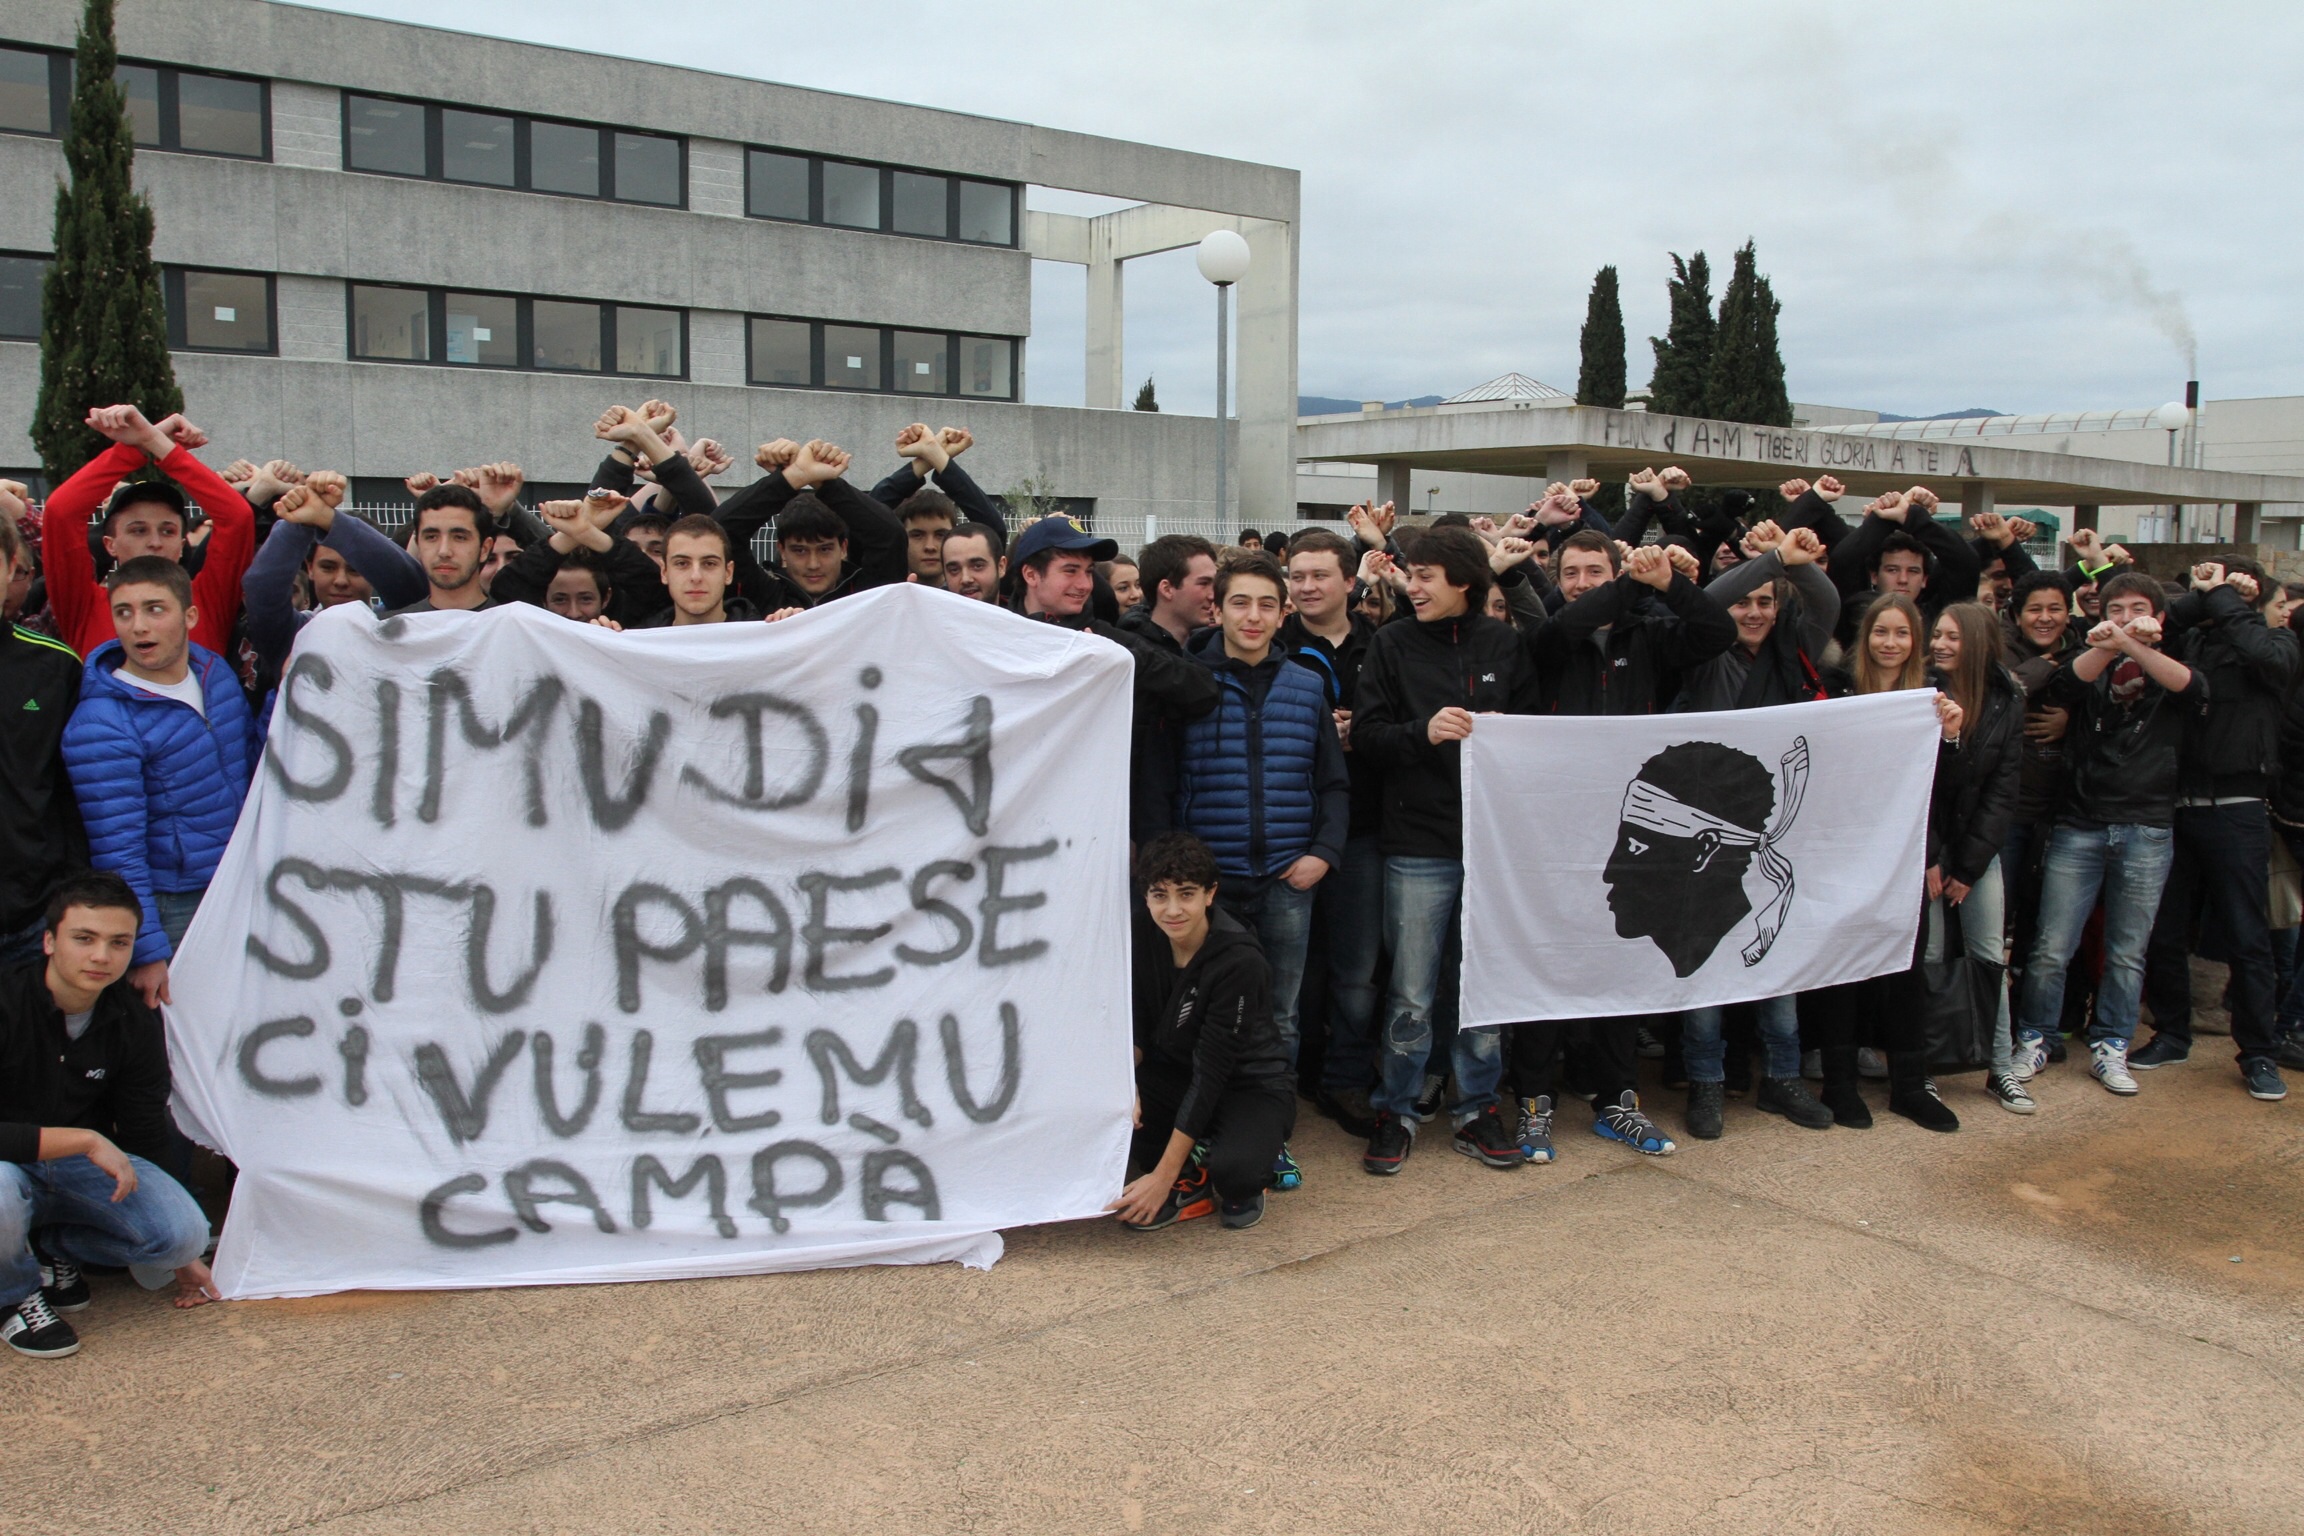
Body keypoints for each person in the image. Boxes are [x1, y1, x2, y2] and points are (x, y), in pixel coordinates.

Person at [1518, 532, 1734, 1154]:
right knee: (1548, 957)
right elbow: (1569, 621)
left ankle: (1617, 1100)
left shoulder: (1650, 635)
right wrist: (1630, 582)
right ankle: (1535, 1100)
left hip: (1631, 831)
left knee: (1621, 957)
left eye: (1597, 571)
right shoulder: (1552, 637)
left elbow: (1716, 633)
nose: (1583, 582)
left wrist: (1669, 584)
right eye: (1572, 572)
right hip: (1555, 827)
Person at [1350, 526, 1542, 1175]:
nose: (1412, 585)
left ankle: (1478, 1105)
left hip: (1491, 846)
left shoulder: (1505, 644)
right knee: (1410, 989)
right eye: (1411, 573)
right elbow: (1368, 737)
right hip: (1417, 845)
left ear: (1464, 580)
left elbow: (1535, 734)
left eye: (1427, 575)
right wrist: (1421, 733)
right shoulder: (1390, 643)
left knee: (1481, 983)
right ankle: (1397, 1108)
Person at [1174, 554, 1348, 1186]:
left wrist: (1321, 854)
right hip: (1210, 890)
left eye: (1267, 605)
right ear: (1216, 609)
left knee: (1281, 1016)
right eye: (1240, 603)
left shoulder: (1306, 683)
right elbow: (1169, 784)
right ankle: (1206, 1129)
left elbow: (1332, 783)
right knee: (1204, 1015)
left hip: (1285, 881)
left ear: (1284, 613)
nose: (1253, 617)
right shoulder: (1189, 680)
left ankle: (1269, 1136)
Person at [1666, 520, 1838, 1140]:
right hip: (1705, 834)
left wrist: (1796, 561)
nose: (1755, 611)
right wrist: (1768, 560)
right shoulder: (1705, 649)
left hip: (1778, 831)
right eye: (1747, 599)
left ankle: (1783, 1079)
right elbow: (1709, 602)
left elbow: (1828, 602)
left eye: (1766, 601)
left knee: (1779, 959)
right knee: (1707, 959)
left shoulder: (1798, 647)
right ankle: (1706, 1083)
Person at [1, 871, 220, 1356]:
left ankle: (50, 1248)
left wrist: (179, 1252)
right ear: (48, 941)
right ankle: (16, 1296)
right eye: (84, 939)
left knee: (183, 1234)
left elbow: (144, 1127)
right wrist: (85, 1140)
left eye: (118, 943)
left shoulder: (133, 1017)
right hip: (9, 1164)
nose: (102, 956)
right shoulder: (8, 1000)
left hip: (75, 1171)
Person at [2013, 573, 2205, 1098]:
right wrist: (2112, 642)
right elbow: (2064, 686)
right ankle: (2035, 1037)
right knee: (2052, 945)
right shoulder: (2092, 657)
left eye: (2136, 607)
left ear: (2159, 616)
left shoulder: (2174, 658)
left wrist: (2136, 647)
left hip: (2147, 824)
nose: (2123, 616)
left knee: (2127, 950)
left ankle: (2112, 1044)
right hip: (2079, 821)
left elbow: (2190, 688)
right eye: (2113, 607)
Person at [59, 558, 260, 1011]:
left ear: (190, 616)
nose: (138, 626)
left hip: (240, 883)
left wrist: (292, 691)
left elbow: (251, 763)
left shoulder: (213, 673)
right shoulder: (102, 724)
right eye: (124, 612)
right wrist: (147, 950)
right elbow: (117, 849)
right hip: (175, 905)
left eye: (154, 609)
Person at [2133, 560, 2297, 1101]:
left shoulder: (2276, 647)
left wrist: (2230, 599)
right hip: (2176, 804)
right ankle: (2171, 1032)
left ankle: (2258, 1053)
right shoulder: (2194, 643)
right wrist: (2205, 596)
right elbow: (2163, 626)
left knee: (2250, 937)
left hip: (2239, 806)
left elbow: (2266, 654)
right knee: (2166, 928)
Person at [1109, 834, 1295, 1232]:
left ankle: (1258, 1153)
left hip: (1248, 1084)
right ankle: (1196, 1168)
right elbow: (1136, 1028)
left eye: (1187, 894)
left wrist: (1162, 1180)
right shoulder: (1141, 932)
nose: (1173, 910)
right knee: (1116, 1112)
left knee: (1237, 1176)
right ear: (1145, 896)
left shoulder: (1239, 960)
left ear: (1211, 894)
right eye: (1160, 895)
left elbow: (1213, 1071)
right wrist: (1127, 1083)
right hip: (1176, 1073)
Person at [1004, 518, 1219, 844]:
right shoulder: (998, 638)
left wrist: (1119, 658)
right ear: (1031, 574)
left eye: (1089, 571)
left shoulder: (1110, 640)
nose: (1084, 584)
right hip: (1017, 828)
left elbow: (1202, 689)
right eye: (1070, 570)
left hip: (1098, 831)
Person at [1277, 529, 1384, 1136]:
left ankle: (1345, 1079)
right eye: (1298, 576)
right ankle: (1290, 1084)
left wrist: (1360, 732)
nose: (1307, 586)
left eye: (1320, 575)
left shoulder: (1385, 644)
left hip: (1364, 828)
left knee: (1356, 970)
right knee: (1295, 975)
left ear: (1350, 581)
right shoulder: (1275, 643)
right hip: (1292, 826)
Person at [39, 405, 254, 659]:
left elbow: (237, 517)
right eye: (138, 530)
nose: (155, 542)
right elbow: (60, 511)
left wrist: (154, 441)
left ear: (182, 543)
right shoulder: (84, 605)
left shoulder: (207, 601)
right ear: (110, 544)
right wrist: (139, 446)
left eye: (168, 531)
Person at [1923, 602, 2029, 1115]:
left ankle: (2002, 1067)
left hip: (1977, 856)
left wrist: (1968, 868)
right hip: (1925, 853)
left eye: (1952, 637)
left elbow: (2002, 793)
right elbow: (1927, 789)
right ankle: (1922, 1066)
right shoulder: (1923, 693)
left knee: (1990, 958)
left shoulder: (2008, 700)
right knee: (1929, 957)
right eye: (1936, 634)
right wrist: (1935, 859)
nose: (1939, 644)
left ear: (1979, 643)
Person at [239, 472, 426, 683]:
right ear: (310, 568)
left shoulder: (398, 628)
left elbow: (413, 585)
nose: (340, 580)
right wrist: (302, 522)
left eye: (354, 570)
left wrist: (331, 521)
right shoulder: (293, 634)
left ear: (374, 572)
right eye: (328, 567)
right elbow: (261, 587)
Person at [0, 517, 86, 968]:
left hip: (30, 921)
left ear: (13, 566)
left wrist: (68, 896)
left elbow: (72, 794)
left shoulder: (53, 666)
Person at [715, 439, 907, 611]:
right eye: (800, 551)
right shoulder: (761, 595)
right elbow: (719, 532)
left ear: (843, 548)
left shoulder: (866, 595)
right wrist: (794, 476)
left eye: (824, 549)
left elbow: (889, 535)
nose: (813, 564)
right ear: (781, 550)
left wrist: (824, 482)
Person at [386, 485, 498, 616]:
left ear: (484, 549)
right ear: (418, 545)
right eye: (431, 537)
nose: (444, 551)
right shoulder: (394, 630)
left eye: (459, 538)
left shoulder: (515, 627)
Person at [1125, 534, 1219, 651]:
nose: (1213, 595)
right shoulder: (1132, 657)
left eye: (1215, 584)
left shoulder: (1211, 650)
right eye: (1203, 583)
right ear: (1167, 589)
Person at [941, 523, 1007, 604]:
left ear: (1001, 567)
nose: (965, 579)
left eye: (977, 566)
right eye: (954, 570)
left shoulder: (1019, 616)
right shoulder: (927, 615)